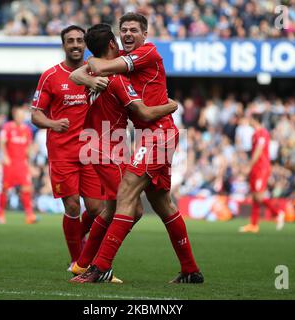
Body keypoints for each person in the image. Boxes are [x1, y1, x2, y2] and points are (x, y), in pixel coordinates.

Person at [71, 13, 203, 284]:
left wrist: (93, 68)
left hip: (158, 134)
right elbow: (91, 68)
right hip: (150, 134)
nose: (128, 34)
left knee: (126, 193)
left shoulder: (148, 52)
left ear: (145, 34)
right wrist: (171, 104)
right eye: (124, 30)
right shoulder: (118, 68)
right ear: (116, 38)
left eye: (134, 30)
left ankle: (100, 266)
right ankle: (191, 270)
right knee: (163, 204)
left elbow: (97, 68)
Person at [30, 25, 106, 270]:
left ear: (85, 44)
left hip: (90, 150)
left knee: (96, 208)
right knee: (72, 204)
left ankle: (77, 238)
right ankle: (78, 261)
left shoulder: (97, 71)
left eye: (79, 40)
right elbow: (35, 115)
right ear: (63, 45)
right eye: (70, 40)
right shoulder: (51, 76)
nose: (75, 44)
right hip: (62, 151)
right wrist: (53, 123)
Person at [239, 111, 286, 233]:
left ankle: (278, 213)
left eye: (250, 119)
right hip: (256, 168)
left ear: (255, 120)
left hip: (262, 168)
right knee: (255, 197)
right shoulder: (254, 134)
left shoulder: (262, 133)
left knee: (259, 196)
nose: (248, 121)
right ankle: (254, 225)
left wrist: (249, 165)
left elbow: (259, 150)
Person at [0, 106, 37, 224]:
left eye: (22, 116)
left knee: (26, 188)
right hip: (10, 163)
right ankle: (1, 214)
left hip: (22, 163)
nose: (20, 118)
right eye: (18, 115)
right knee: (5, 189)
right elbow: (2, 142)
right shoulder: (7, 127)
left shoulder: (27, 130)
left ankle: (29, 215)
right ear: (14, 116)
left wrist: (29, 162)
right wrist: (4, 156)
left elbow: (29, 147)